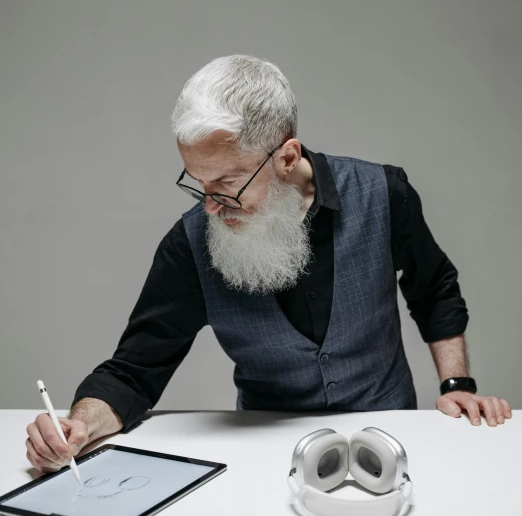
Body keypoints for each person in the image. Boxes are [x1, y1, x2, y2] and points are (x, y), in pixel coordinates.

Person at [25, 54, 512, 473]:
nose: (211, 206)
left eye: (227, 183)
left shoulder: (385, 194)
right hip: (266, 454)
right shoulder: (190, 243)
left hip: (392, 435)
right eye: (198, 183)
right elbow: (134, 371)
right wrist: (78, 425)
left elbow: (435, 290)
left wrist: (456, 385)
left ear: (286, 156)